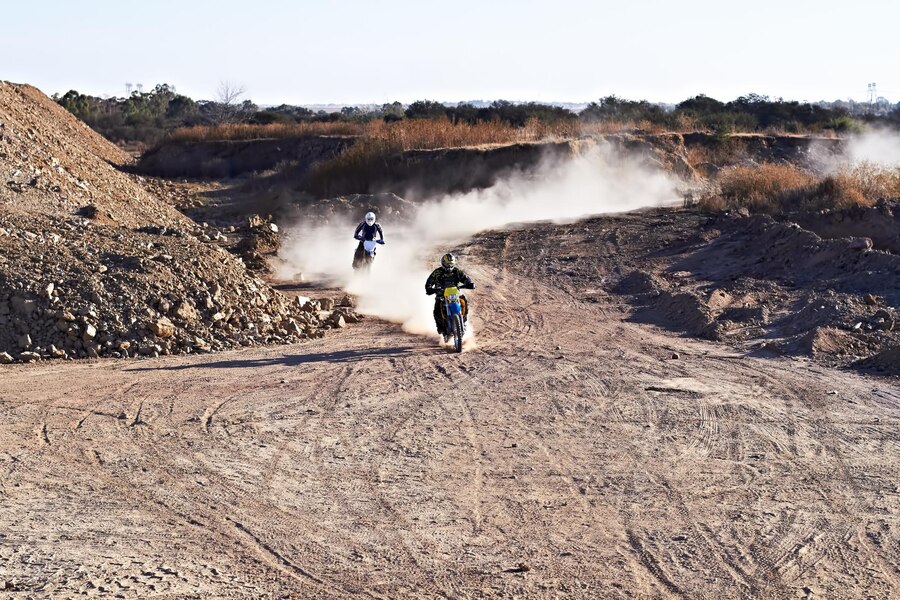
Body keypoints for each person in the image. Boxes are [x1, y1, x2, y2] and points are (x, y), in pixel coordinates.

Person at [425, 253, 475, 336]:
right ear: (443, 263)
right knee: (437, 309)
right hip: (441, 295)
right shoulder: (437, 272)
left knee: (463, 301)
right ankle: (440, 327)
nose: (449, 266)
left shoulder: (457, 271)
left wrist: (469, 283)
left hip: (454, 294)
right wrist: (429, 288)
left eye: (451, 264)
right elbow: (429, 282)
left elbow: (465, 279)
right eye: (447, 264)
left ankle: (464, 321)